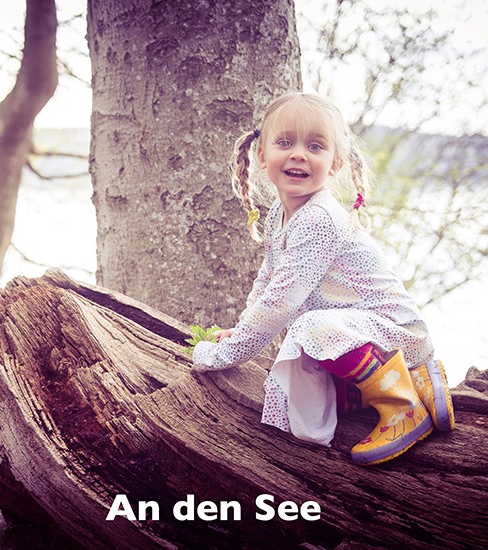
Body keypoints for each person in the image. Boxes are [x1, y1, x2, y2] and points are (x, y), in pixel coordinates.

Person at [192, 92, 454, 466]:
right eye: (285, 142)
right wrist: (242, 328)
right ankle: (407, 381)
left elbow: (279, 304)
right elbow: (269, 280)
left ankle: (404, 405)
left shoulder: (319, 220)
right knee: (300, 401)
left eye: (315, 146)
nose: (299, 154)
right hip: (353, 334)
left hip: (394, 333)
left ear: (334, 164)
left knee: (311, 327)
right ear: (262, 155)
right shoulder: (278, 217)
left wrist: (226, 355)